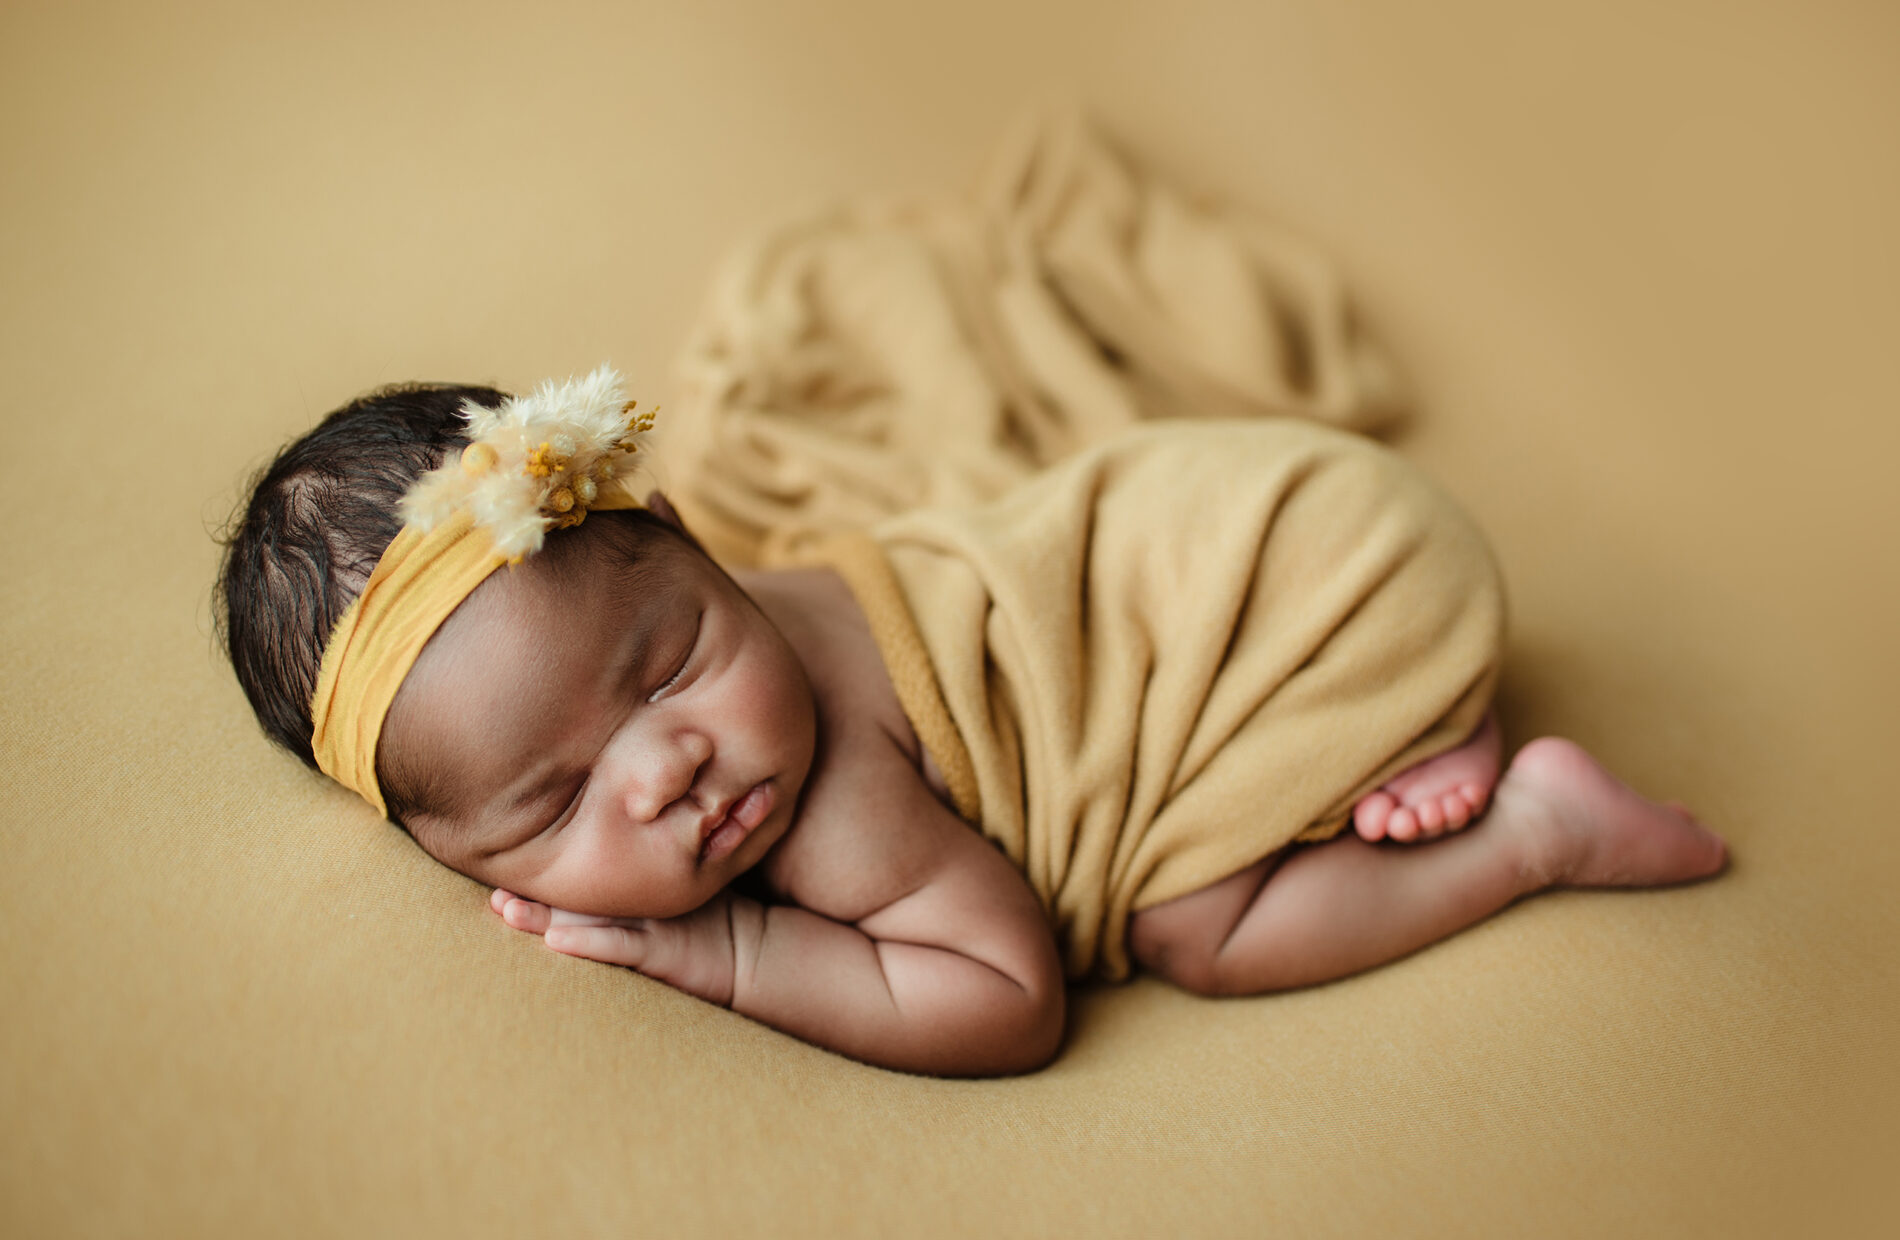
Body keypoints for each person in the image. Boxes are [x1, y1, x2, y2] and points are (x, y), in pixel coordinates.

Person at [216, 366, 1727, 1077]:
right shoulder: (704, 612)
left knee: (1205, 930)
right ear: (444, 852)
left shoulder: (832, 809)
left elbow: (1010, 995)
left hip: (1305, 584)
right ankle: (1403, 733)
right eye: (555, 808)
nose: (668, 771)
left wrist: (734, 949)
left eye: (670, 667)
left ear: (692, 542)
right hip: (1285, 504)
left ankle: (1525, 829)